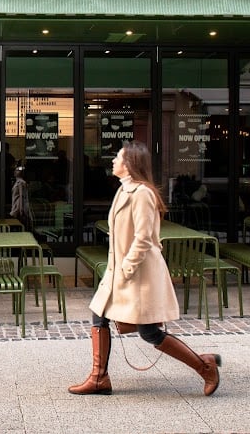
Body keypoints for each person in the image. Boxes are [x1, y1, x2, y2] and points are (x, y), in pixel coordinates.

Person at [69, 140, 221, 397]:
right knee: (99, 314)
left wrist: (126, 269)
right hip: (122, 272)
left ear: (130, 164)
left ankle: (204, 367)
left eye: (118, 157)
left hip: (138, 274)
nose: (113, 161)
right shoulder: (124, 190)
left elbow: (143, 238)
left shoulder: (142, 194)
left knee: (149, 332)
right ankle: (99, 378)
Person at [9, 165, 33, 230]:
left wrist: (21, 210)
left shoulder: (21, 183)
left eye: (18, 170)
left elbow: (22, 196)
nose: (15, 171)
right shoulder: (17, 182)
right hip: (16, 207)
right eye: (15, 170)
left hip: (18, 208)